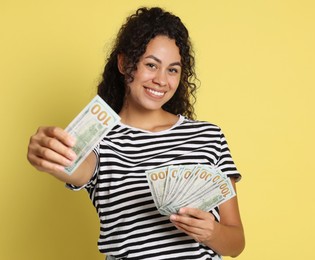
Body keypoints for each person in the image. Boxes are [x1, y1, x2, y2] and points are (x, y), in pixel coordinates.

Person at [27, 7, 245, 260]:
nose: (161, 80)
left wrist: (210, 232)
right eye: (151, 65)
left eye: (172, 70)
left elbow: (236, 243)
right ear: (124, 63)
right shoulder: (101, 138)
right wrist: (49, 155)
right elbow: (74, 166)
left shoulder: (209, 136)